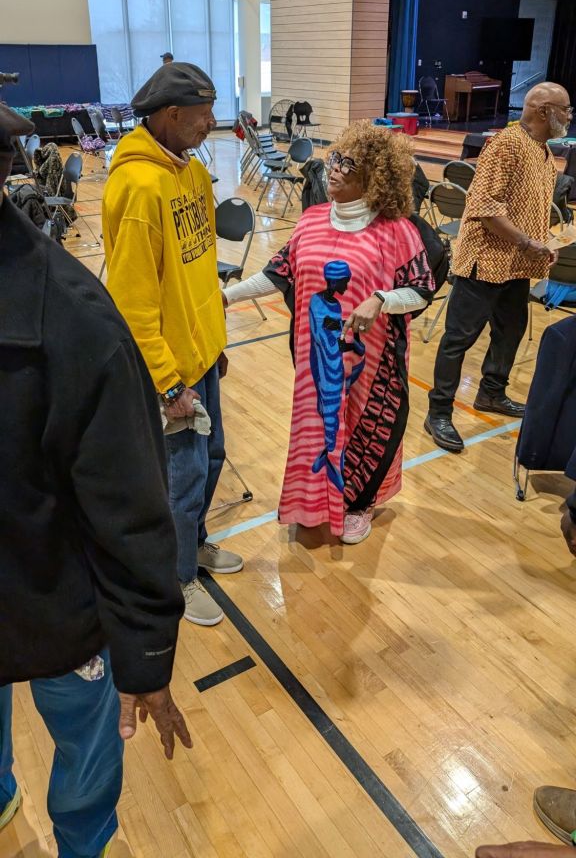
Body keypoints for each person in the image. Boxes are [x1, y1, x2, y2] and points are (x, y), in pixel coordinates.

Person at [0, 104, 190, 857]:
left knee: (84, 752)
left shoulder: (75, 320)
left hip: (59, 608)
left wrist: (144, 653)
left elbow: (131, 504)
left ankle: (84, 846)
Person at [224, 120, 435, 543]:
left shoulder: (397, 231)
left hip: (373, 365)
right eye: (335, 158)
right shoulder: (311, 220)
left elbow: (421, 290)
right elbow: (277, 273)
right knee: (318, 429)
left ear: (373, 178)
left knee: (365, 432)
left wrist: (380, 299)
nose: (333, 168)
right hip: (316, 360)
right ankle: (316, 500)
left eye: (347, 164)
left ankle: (360, 503)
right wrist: (227, 297)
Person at [102, 62, 243, 629]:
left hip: (200, 353)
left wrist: (215, 342)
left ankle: (196, 544)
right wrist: (167, 382)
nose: (212, 123)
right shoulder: (139, 186)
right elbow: (132, 304)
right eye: (203, 114)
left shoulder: (190, 170)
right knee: (181, 479)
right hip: (169, 370)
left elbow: (201, 267)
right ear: (171, 115)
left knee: (212, 459)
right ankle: (178, 578)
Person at [425, 82, 571, 453]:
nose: (569, 116)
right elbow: (486, 208)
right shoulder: (507, 144)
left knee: (510, 331)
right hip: (485, 261)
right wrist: (529, 243)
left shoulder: (542, 150)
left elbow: (528, 207)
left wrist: (544, 242)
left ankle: (491, 393)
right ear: (543, 110)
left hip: (516, 264)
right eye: (565, 109)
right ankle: (438, 412)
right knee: (459, 339)